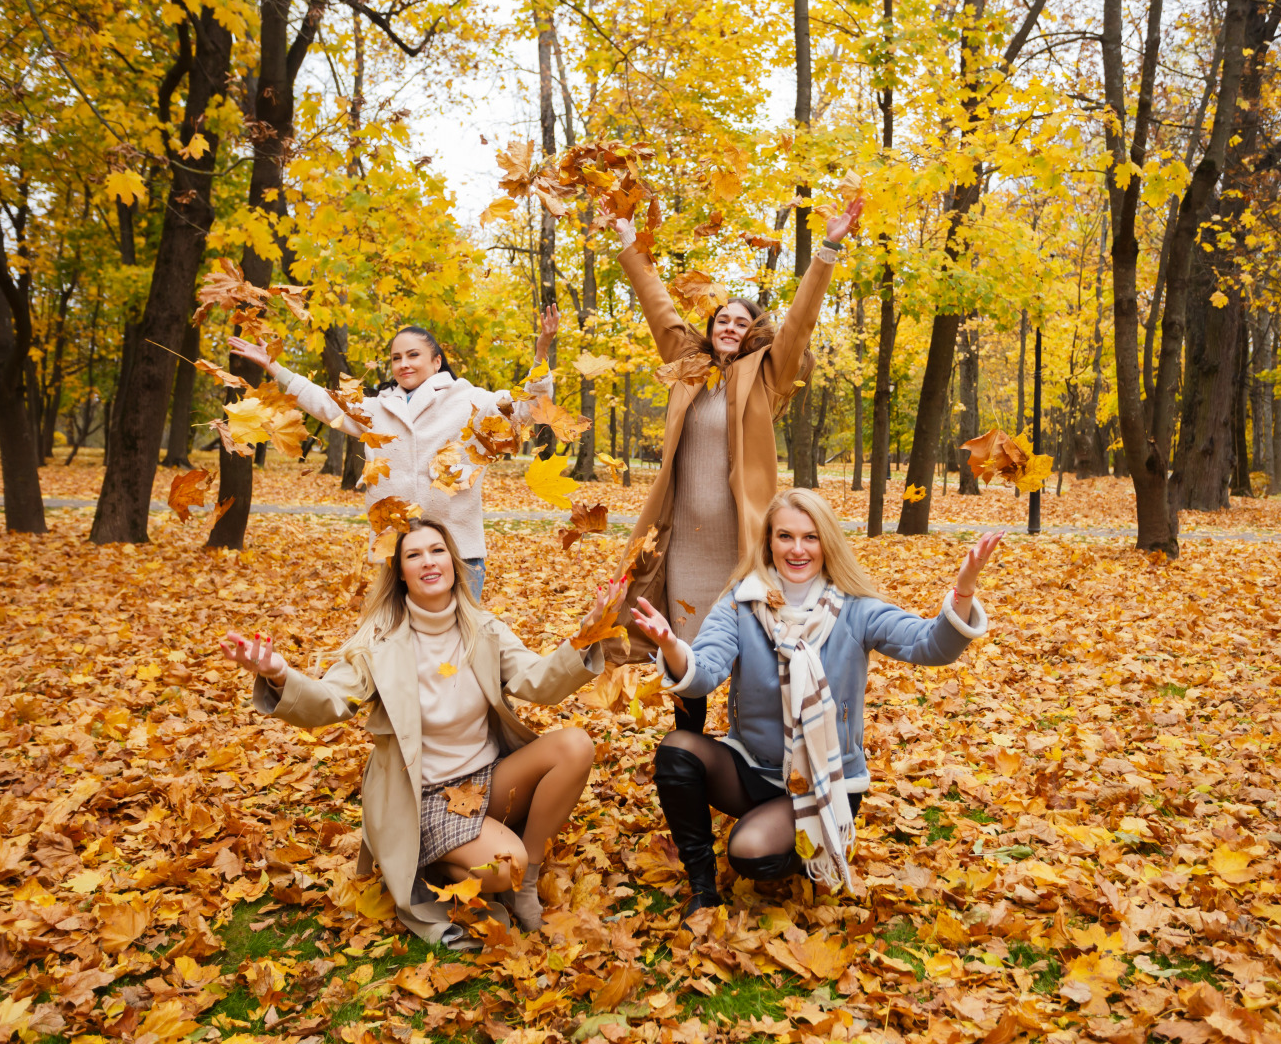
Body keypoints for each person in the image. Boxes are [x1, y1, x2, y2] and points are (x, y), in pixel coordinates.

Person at [220, 518, 617, 945]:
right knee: (505, 865)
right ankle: (439, 864)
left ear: (453, 561)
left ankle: (526, 883)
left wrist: (585, 636)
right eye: (414, 555)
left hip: (487, 780)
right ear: (400, 572)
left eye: (437, 551)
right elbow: (330, 700)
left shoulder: (483, 630)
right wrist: (280, 675)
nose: (428, 562)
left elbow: (539, 681)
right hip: (424, 798)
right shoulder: (378, 642)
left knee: (575, 744)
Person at [630, 488, 1000, 915]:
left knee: (750, 853)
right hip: (755, 768)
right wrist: (672, 645)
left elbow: (931, 646)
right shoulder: (742, 602)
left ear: (827, 542)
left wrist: (964, 589)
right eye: (785, 536)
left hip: (828, 780)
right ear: (768, 542)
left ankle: (813, 847)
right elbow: (703, 674)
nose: (798, 549)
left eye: (810, 537)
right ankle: (701, 885)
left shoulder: (856, 609)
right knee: (677, 751)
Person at [609, 198, 864, 735]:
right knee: (682, 652)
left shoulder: (767, 376)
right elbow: (656, 304)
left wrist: (829, 249)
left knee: (748, 650)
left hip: (741, 543)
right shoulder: (688, 367)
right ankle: (688, 755)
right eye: (721, 318)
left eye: (740, 321)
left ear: (752, 333)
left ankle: (751, 758)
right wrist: (629, 242)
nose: (728, 325)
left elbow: (799, 321)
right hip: (684, 545)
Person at [228, 312, 561, 599]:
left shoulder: (468, 401)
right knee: (402, 650)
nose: (403, 364)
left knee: (462, 651)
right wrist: (276, 368)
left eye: (413, 355)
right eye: (396, 358)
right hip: (399, 554)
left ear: (436, 361)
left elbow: (525, 409)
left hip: (459, 552)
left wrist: (542, 351)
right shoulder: (377, 409)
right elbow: (325, 403)